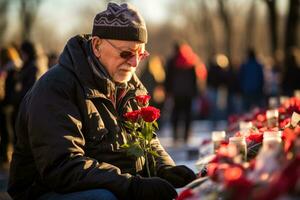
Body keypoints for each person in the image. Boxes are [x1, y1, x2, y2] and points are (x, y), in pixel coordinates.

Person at [8, 2, 196, 200]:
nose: (134, 63)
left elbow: (148, 141)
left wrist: (165, 169)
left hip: (108, 181)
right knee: (103, 197)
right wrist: (131, 186)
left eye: (140, 54)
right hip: (45, 191)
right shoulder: (56, 88)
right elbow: (62, 167)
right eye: (126, 53)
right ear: (97, 45)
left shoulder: (129, 83)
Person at [165, 42, 198, 145]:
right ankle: (186, 136)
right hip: (188, 93)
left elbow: (168, 78)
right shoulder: (191, 60)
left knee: (176, 114)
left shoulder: (171, 61)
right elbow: (195, 79)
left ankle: (175, 136)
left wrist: (168, 91)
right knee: (187, 115)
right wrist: (195, 92)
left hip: (176, 93)